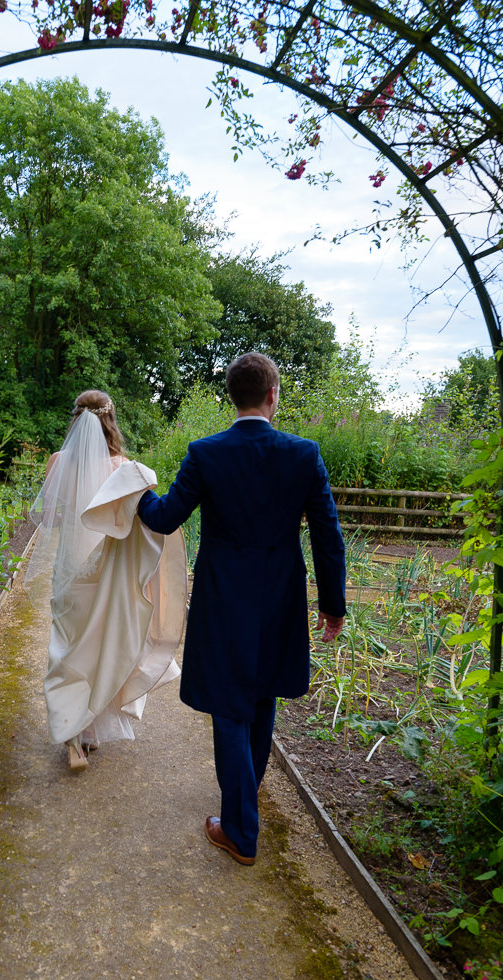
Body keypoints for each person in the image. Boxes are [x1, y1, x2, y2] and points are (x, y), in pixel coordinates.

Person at [135, 352, 346, 866]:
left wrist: (134, 490)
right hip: (281, 598)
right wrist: (333, 603)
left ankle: (239, 831)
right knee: (261, 695)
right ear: (273, 395)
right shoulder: (304, 454)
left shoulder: (206, 453)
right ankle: (242, 812)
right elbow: (328, 533)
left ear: (233, 397)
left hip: (223, 596)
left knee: (231, 706)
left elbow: (163, 518)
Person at [28, 390, 188, 772]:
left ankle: (73, 734)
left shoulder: (57, 461)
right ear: (110, 420)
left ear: (75, 421)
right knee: (99, 648)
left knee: (66, 647)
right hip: (106, 571)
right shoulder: (123, 468)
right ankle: (85, 732)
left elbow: (48, 520)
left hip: (69, 568)